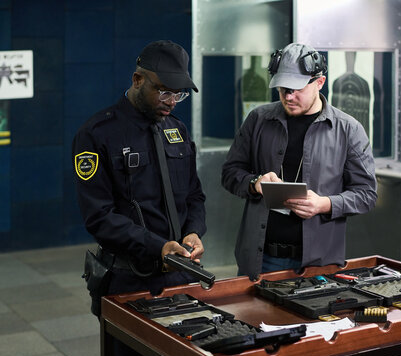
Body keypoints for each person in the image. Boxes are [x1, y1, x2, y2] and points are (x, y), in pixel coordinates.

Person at [73, 40, 206, 319]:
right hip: (127, 278)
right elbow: (98, 216)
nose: (171, 102)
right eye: (164, 92)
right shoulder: (97, 134)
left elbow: (194, 194)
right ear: (137, 80)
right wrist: (157, 247)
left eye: (179, 95)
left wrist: (194, 230)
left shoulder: (177, 129)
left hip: (179, 275)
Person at [221, 43, 377, 280]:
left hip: (318, 263)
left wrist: (325, 204)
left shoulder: (348, 129)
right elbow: (230, 173)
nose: (288, 96)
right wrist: (255, 182)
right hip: (260, 260)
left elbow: (367, 194)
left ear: (319, 83)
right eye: (283, 89)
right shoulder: (258, 120)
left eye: (296, 88)